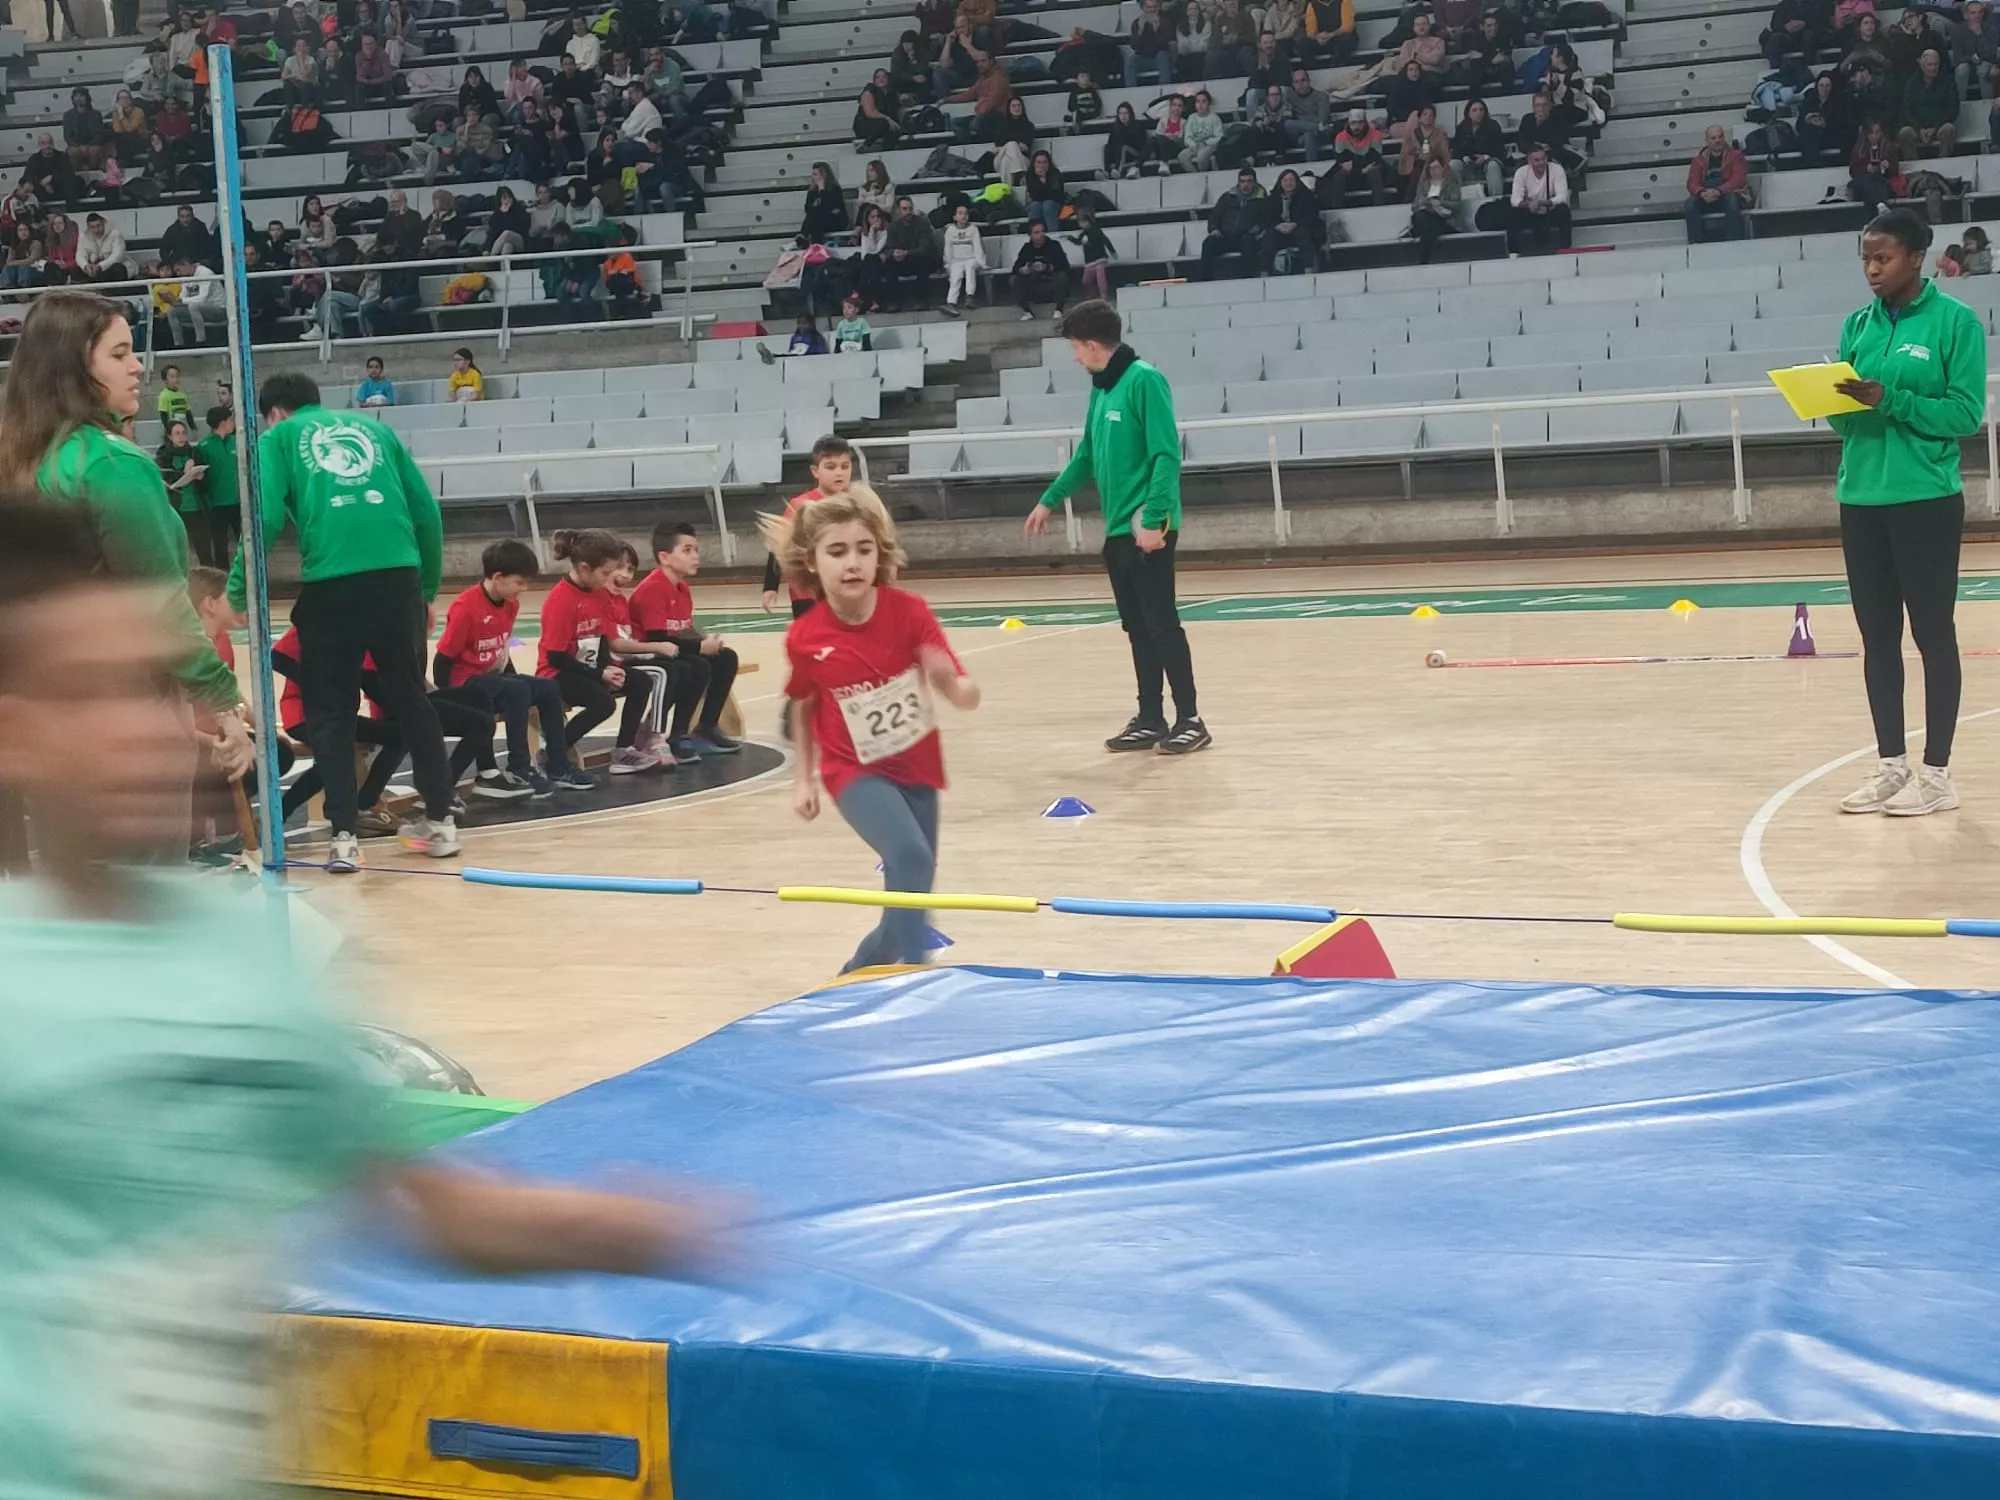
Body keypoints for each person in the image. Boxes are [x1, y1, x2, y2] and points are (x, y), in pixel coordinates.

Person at [0, 499, 737, 1500]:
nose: (140, 729)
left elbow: (418, 1202)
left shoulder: (256, 954)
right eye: (88, 697)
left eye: (151, 690)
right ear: (16, 734)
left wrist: (624, 1227)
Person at [0, 293, 252, 802]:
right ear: (74, 367)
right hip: (123, 715)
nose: (138, 367)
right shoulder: (111, 463)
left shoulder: (19, 460)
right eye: (119, 354)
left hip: (32, 718)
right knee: (136, 874)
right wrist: (225, 706)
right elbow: (159, 601)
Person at [224, 371, 458, 872]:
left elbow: (262, 517)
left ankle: (344, 838)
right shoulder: (377, 430)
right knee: (412, 697)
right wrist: (428, 590)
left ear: (275, 413)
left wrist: (240, 586)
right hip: (399, 578)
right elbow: (426, 514)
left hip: (333, 583)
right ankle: (440, 822)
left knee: (330, 710)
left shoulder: (278, 438)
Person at [773, 487, 980, 971]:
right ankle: (914, 975)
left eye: (864, 550)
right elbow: (803, 706)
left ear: (879, 555)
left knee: (912, 884)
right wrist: (805, 778)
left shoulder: (909, 611)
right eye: (838, 551)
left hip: (919, 767)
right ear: (813, 562)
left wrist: (956, 686)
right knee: (908, 855)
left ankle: (858, 973)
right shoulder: (806, 635)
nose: (853, 563)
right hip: (854, 772)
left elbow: (958, 688)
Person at [1830, 209, 1986, 817]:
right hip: (1861, 499)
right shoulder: (1856, 326)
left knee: (1932, 635)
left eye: (1883, 258)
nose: (1872, 269)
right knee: (1877, 639)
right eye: (1866, 258)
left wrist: (1888, 399)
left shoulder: (1955, 322)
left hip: (1925, 500)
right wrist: (1829, 401)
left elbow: (1963, 414)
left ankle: (1938, 774)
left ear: (1916, 258)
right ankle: (1891, 767)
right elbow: (1845, 421)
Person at [1024, 301, 1208, 755]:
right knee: (1137, 627)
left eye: (1075, 348)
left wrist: (1154, 519)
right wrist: (1050, 499)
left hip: (1147, 526)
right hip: (1117, 530)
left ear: (1091, 345)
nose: (1074, 357)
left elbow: (1167, 454)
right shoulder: (1102, 388)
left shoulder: (1144, 379)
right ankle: (1150, 717)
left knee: (1162, 623)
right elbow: (1087, 454)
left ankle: (1191, 718)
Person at [435, 538, 596, 796]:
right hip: (465, 683)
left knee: (546, 687)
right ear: (498, 577)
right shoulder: (466, 608)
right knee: (516, 691)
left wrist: (516, 679)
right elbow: (442, 659)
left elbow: (501, 651)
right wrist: (447, 700)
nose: (524, 588)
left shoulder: (511, 604)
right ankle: (519, 769)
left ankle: (557, 764)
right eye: (520, 582)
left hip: (491, 679)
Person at [536, 527, 665, 775]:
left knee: (640, 681)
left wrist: (609, 667)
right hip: (559, 673)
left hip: (590, 670)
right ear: (584, 568)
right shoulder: (561, 600)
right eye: (605, 572)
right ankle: (552, 752)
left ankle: (624, 750)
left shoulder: (598, 594)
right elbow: (556, 656)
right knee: (603, 703)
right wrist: (598, 674)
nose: (609, 578)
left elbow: (602, 637)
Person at [629, 521, 744, 759]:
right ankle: (677, 734)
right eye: (687, 550)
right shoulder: (652, 588)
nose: (695, 557)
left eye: (696, 550)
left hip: (672, 651)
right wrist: (701, 647)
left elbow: (683, 629)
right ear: (665, 557)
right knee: (696, 664)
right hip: (647, 653)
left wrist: (706, 642)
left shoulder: (681, 587)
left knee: (726, 658)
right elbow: (658, 638)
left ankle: (706, 728)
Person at [763, 436, 855, 616]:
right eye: (831, 467)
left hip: (846, 589)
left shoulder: (858, 503)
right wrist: (770, 587)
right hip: (807, 593)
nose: (839, 472)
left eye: (845, 466)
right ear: (815, 470)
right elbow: (779, 547)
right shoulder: (801, 506)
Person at [155, 417, 212, 566]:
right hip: (177, 508)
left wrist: (201, 477)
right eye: (177, 433)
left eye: (183, 433)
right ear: (169, 437)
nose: (181, 437)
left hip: (197, 507)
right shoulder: (163, 455)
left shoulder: (194, 453)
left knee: (204, 549)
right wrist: (183, 472)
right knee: (178, 550)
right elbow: (166, 479)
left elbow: (207, 482)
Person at [1684, 124, 1751, 242]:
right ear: (1707, 141)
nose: (1718, 140)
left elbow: (1738, 180)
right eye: (1713, 138)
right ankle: (1696, 243)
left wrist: (1719, 191)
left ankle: (1734, 241)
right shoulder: (1698, 160)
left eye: (1720, 137)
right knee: (1690, 204)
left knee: (1732, 200)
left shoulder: (1736, 156)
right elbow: (1692, 183)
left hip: (1728, 194)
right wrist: (1701, 192)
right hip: (1706, 196)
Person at [195, 403, 241, 566]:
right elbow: (200, 480)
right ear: (223, 423)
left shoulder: (237, 442)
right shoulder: (203, 447)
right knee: (220, 546)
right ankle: (222, 578)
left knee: (244, 542)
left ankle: (245, 574)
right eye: (230, 420)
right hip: (217, 505)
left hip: (238, 502)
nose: (233, 423)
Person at [1201, 167, 1265, 280]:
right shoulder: (1227, 197)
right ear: (1238, 182)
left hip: (1246, 237)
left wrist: (1258, 227)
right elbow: (1214, 216)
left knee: (1248, 242)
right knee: (1209, 243)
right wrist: (1214, 229)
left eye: (1249, 181)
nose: (1245, 185)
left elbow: (1267, 219)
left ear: (1255, 182)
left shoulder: (1263, 200)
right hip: (1224, 237)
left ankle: (1247, 279)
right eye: (1242, 181)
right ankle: (1205, 279)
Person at [1508, 142, 1572, 254]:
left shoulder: (1556, 170)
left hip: (1550, 212)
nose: (1541, 162)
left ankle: (1565, 251)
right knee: (1513, 214)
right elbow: (1515, 200)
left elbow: (1562, 197)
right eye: (1536, 160)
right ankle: (1513, 254)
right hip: (1530, 213)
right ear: (1529, 161)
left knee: (1564, 211)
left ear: (1546, 158)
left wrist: (1540, 203)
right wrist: (1529, 205)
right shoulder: (1521, 172)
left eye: (1543, 159)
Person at [1898, 46, 1960, 155]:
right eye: (1929, 65)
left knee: (1949, 129)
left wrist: (1935, 127)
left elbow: (1953, 109)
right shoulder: (1911, 83)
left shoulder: (1948, 82)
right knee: (1904, 133)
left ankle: (1944, 162)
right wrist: (1919, 128)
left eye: (1935, 64)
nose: (1933, 68)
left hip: (1939, 126)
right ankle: (1913, 167)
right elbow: (1906, 109)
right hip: (1917, 128)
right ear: (1922, 65)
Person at [1262, 166, 1322, 273]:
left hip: (1300, 230)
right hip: (1280, 232)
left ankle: (1309, 268)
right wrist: (1278, 225)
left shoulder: (1307, 196)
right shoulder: (1272, 198)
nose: (1288, 183)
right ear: (1280, 182)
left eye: (1291, 180)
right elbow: (1267, 217)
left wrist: (1294, 224)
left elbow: (1311, 215)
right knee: (1269, 236)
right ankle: (1264, 271)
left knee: (1303, 232)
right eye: (1285, 180)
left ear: (1296, 182)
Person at [1326, 108, 1390, 206]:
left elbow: (1375, 159)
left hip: (1368, 172)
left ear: (1365, 123)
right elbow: (1343, 162)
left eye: (1360, 123)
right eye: (1353, 123)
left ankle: (1381, 207)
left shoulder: (1376, 134)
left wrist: (1356, 164)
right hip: (1354, 173)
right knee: (1339, 176)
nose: (1357, 126)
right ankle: (1337, 210)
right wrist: (1362, 168)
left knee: (1375, 172)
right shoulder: (1341, 137)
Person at [1012, 220, 1071, 319]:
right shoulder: (1026, 248)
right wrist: (1025, 270)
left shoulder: (1054, 245)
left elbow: (1065, 266)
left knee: (1062, 276)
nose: (1041, 235)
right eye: (1036, 232)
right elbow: (1015, 269)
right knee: (1014, 280)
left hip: (1051, 286)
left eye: (1042, 231)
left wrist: (1046, 267)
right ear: (1030, 235)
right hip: (1034, 286)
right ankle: (1027, 312)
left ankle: (1059, 309)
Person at [1452, 96, 1507, 196]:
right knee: (1453, 164)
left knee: (1493, 166)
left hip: (1488, 161)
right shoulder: (1461, 127)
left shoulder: (1493, 125)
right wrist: (1464, 158)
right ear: (1468, 113)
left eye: (1481, 110)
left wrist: (1485, 157)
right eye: (1474, 110)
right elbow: (1456, 149)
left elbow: (1499, 148)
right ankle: (1457, 198)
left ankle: (1496, 200)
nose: (1478, 113)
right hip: (1468, 164)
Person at [1410, 154, 1462, 261]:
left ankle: (1423, 260)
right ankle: (1426, 258)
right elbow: (1414, 206)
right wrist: (1424, 203)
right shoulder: (1424, 185)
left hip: (1444, 219)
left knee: (1427, 226)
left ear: (1443, 168)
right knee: (1422, 217)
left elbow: (1456, 205)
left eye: (1436, 167)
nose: (1434, 171)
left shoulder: (1451, 184)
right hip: (1426, 218)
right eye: (1431, 168)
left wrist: (1439, 203)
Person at [940, 202, 983, 317]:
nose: (963, 216)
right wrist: (947, 265)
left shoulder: (973, 229)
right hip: (956, 260)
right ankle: (951, 303)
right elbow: (947, 249)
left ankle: (970, 297)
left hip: (972, 259)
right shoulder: (950, 231)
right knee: (955, 276)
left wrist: (981, 263)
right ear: (955, 217)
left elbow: (978, 247)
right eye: (960, 213)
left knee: (969, 267)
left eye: (966, 214)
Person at [1103, 101, 1153, 179]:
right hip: (1121, 155)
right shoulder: (1115, 128)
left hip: (1136, 153)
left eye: (1126, 113)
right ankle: (1107, 171)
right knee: (1106, 147)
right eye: (1121, 113)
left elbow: (1143, 145)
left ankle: (1117, 171)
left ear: (1130, 114)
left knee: (1124, 147)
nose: (1123, 116)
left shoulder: (1138, 125)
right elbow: (1111, 144)